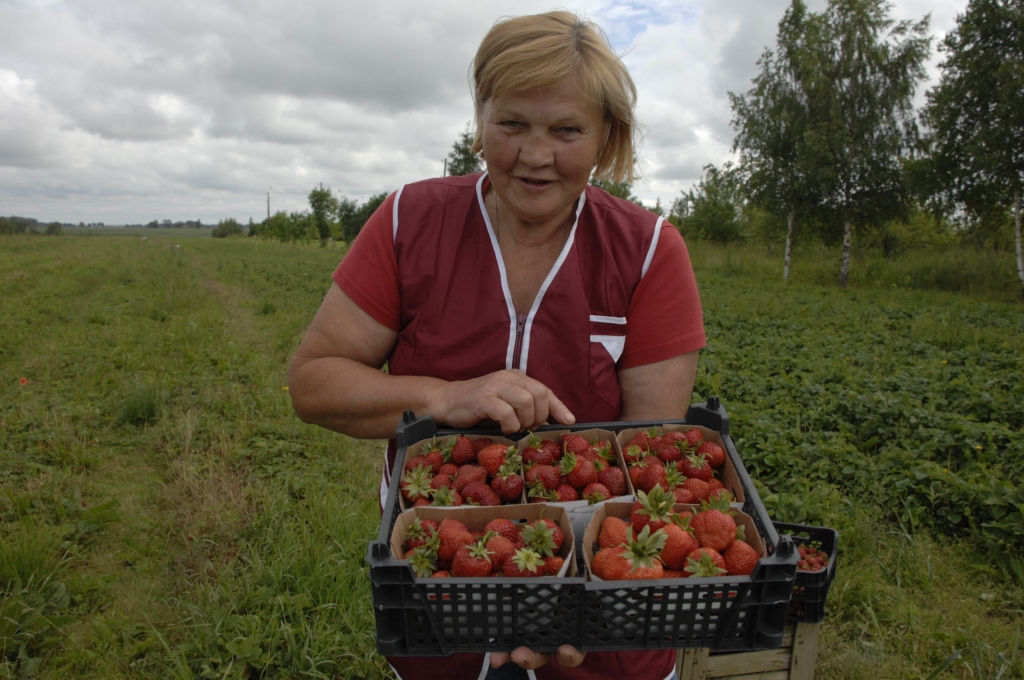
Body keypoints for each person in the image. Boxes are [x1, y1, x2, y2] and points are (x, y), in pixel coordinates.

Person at [288, 10, 705, 680]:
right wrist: (442, 396)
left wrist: (582, 607)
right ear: (479, 119)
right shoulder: (409, 222)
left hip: (602, 608)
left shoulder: (648, 250)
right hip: (440, 584)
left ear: (605, 137)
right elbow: (314, 382)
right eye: (512, 123)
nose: (535, 155)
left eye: (566, 130)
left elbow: (646, 452)